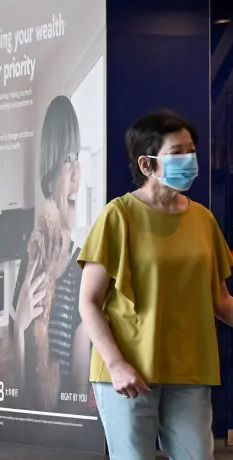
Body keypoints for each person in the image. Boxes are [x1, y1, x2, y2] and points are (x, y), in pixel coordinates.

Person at [77, 111, 233, 460]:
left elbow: (222, 301)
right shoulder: (118, 215)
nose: (189, 160)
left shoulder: (202, 218)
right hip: (129, 370)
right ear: (146, 163)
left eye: (191, 151)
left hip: (190, 369)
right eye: (177, 152)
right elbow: (89, 303)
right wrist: (115, 363)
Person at [10, 96, 90, 410]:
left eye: (78, 157)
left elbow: (79, 396)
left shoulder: (83, 269)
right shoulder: (31, 263)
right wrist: (19, 326)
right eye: (66, 159)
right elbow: (17, 388)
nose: (77, 173)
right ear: (50, 169)